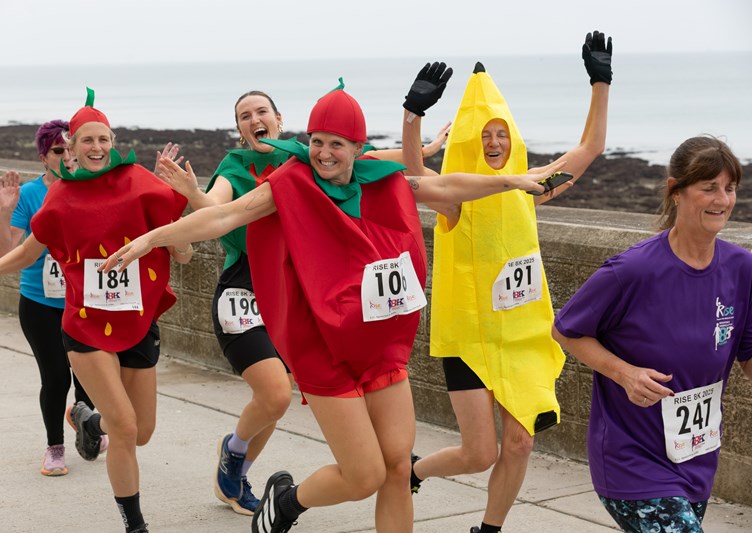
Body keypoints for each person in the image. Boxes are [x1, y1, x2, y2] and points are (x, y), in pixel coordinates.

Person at [99, 67, 562, 532]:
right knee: (364, 476)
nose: (324, 153)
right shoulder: (290, 183)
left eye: (336, 144)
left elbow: (445, 186)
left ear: (357, 148)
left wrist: (512, 181)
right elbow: (224, 217)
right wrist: (151, 238)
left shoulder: (382, 179)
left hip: (378, 346)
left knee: (397, 467)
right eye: (317, 141)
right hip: (322, 348)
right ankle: (287, 501)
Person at [157, 90, 452, 516]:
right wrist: (191, 194)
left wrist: (421, 139)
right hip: (245, 292)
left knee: (291, 403)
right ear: (238, 128)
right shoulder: (233, 167)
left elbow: (374, 160)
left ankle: (240, 462)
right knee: (276, 394)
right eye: (244, 116)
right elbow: (218, 212)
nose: (254, 119)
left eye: (261, 111)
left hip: (299, 300)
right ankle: (235, 455)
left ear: (279, 119)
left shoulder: (311, 159)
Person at [0, 88, 192, 533]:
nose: (96, 147)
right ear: (73, 147)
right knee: (125, 429)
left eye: (103, 139)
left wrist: (179, 239)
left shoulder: (142, 182)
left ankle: (89, 419)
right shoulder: (61, 197)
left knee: (142, 431)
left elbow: (183, 248)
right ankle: (135, 525)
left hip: (138, 320)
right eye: (87, 140)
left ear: (113, 142)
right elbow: (31, 249)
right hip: (85, 325)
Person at [407, 31, 611, 533]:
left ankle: (489, 529)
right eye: (483, 135)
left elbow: (590, 148)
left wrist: (600, 81)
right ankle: (411, 472)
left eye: (501, 133)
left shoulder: (528, 187)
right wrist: (413, 115)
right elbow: (415, 176)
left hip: (521, 337)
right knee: (478, 454)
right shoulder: (454, 201)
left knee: (520, 442)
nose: (494, 143)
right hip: (470, 341)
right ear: (468, 143)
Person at [551, 135, 751, 532]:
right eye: (709, 187)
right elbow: (565, 330)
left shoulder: (741, 268)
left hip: (695, 458)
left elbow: (747, 355)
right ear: (676, 191)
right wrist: (625, 373)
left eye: (729, 188)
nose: (722, 200)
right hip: (631, 460)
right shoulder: (633, 270)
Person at [0, 120, 107, 476]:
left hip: (85, 301)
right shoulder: (29, 195)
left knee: (89, 377)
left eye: (70, 148)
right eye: (58, 150)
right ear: (44, 157)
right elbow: (5, 252)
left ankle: (85, 423)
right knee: (56, 376)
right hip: (40, 303)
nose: (66, 156)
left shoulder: (93, 187)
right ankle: (55, 447)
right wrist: (6, 210)